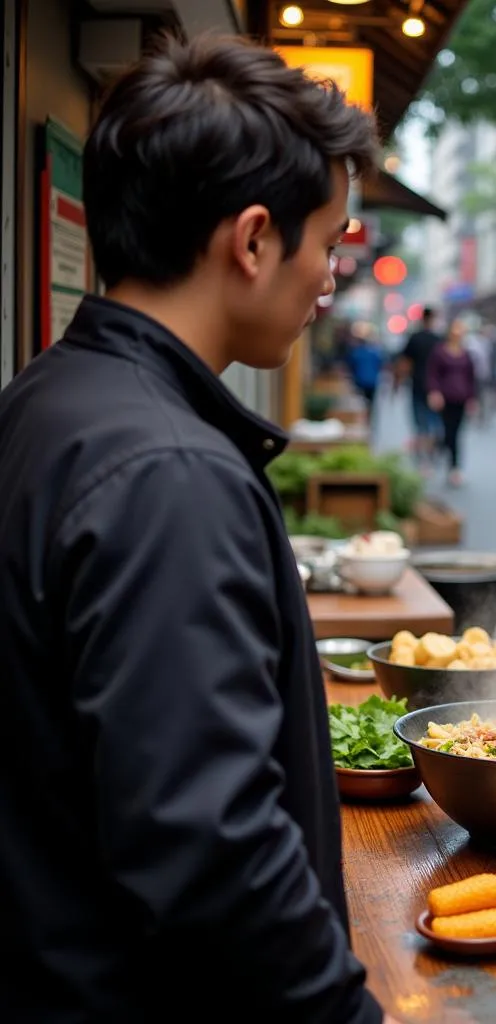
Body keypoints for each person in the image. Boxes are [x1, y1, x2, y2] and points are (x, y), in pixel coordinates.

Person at [0, 35, 402, 1023]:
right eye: (331, 241)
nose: (330, 278)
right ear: (255, 238)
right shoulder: (168, 473)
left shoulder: (47, 399)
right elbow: (212, 850)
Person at [426, 319, 478, 487]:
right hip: (445, 397)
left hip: (461, 398)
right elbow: (432, 374)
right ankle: (445, 459)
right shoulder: (440, 352)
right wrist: (434, 392)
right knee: (448, 432)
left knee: (456, 432)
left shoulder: (466, 354)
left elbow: (471, 378)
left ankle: (454, 466)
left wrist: (472, 398)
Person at [398, 306, 442, 467]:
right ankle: (429, 455)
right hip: (435, 388)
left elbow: (405, 363)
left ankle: (423, 458)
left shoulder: (414, 338)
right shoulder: (438, 340)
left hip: (417, 385)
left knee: (420, 423)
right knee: (433, 422)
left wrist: (398, 383)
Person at [346, 330, 385, 423]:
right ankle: (369, 419)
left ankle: (362, 420)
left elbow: (351, 366)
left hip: (360, 381)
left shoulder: (356, 353)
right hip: (373, 381)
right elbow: (381, 365)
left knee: (361, 403)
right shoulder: (374, 353)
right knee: (370, 403)